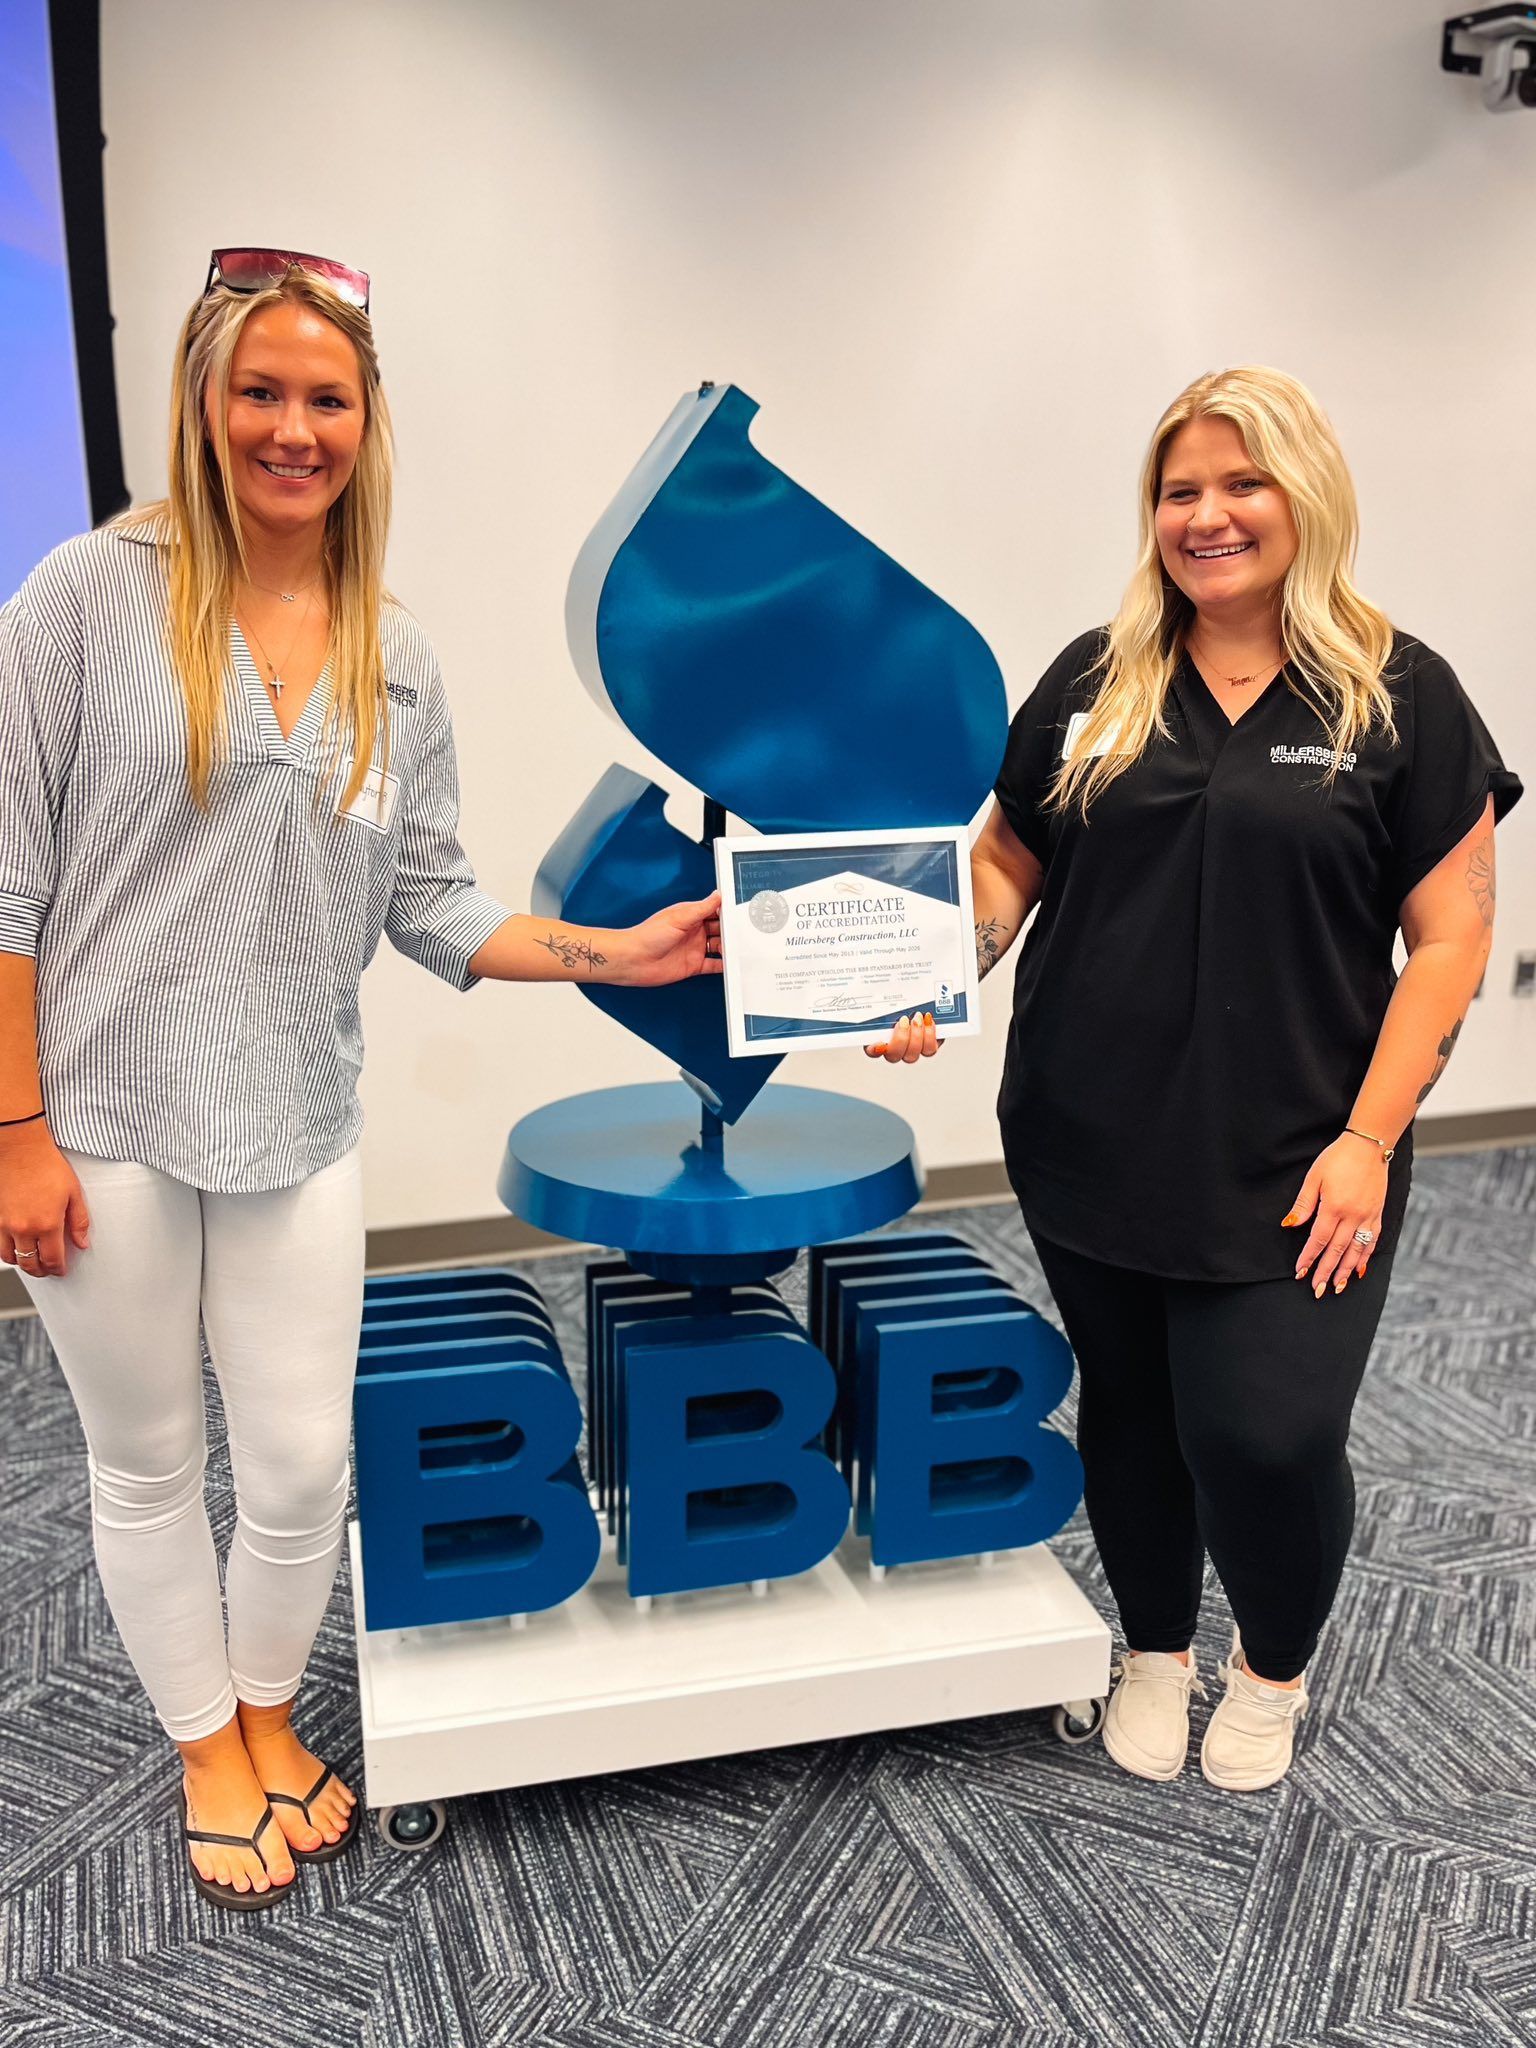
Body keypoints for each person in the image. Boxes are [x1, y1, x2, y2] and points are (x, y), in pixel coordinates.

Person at [0, 248, 721, 1907]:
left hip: (297, 1115)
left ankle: (267, 1712)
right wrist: (14, 1134)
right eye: (261, 390)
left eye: (327, 397)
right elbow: (8, 890)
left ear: (366, 420)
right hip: (96, 1123)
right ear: (203, 399)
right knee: (147, 1458)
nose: (293, 427)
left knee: (307, 1461)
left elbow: (431, 897)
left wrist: (624, 951)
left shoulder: (394, 651)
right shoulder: (85, 597)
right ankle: (207, 1750)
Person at [870, 365, 1521, 1790]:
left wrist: (1369, 1137)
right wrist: (938, 965)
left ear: (1307, 497)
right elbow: (1008, 863)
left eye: (1243, 483)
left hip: (1306, 1148)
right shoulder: (1096, 679)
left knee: (1267, 1433)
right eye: (1181, 490)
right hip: (1089, 1130)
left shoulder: (1399, 693)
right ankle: (1155, 1644)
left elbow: (1456, 938)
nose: (1208, 515)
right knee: (1133, 1404)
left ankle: (1271, 1667)